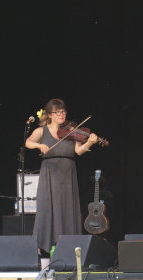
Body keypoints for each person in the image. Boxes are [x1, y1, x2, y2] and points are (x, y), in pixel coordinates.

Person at [25, 98, 98, 258]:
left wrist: (90, 143)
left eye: (63, 111)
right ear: (50, 115)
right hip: (50, 174)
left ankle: (68, 252)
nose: (62, 114)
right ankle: (44, 256)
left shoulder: (72, 130)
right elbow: (28, 142)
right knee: (47, 209)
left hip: (67, 174)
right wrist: (39, 145)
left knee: (67, 209)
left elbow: (78, 151)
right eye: (58, 112)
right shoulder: (41, 131)